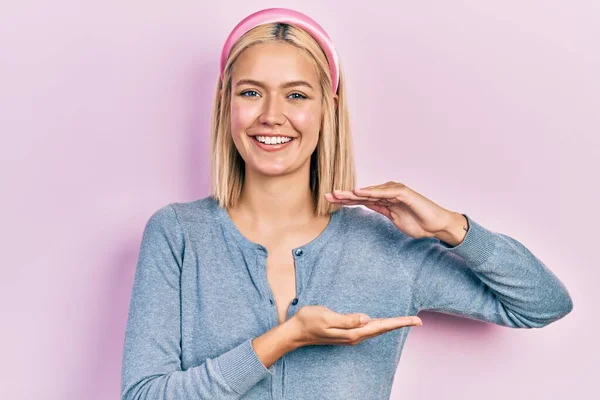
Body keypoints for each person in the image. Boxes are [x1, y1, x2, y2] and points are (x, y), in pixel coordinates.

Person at [120, 7, 573, 400]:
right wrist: (284, 338)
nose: (271, 115)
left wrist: (453, 229)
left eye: (296, 95)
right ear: (226, 104)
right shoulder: (179, 233)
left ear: (328, 109)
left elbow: (542, 304)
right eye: (251, 92)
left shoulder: (385, 246)